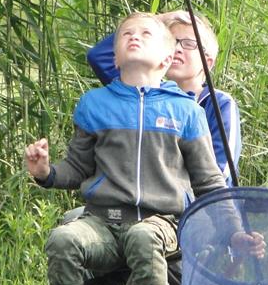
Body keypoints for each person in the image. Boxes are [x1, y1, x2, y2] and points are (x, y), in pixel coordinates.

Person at [24, 12, 264, 285]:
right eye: (126, 34)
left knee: (142, 236)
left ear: (167, 59)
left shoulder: (187, 111)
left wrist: (234, 232)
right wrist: (45, 172)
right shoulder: (94, 104)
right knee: (63, 238)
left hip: (162, 223)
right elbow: (77, 168)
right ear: (116, 56)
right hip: (103, 222)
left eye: (146, 34)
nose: (134, 37)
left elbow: (210, 182)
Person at [87, 10, 241, 187]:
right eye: (172, 42)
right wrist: (159, 20)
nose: (177, 49)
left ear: (207, 62)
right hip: (143, 198)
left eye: (189, 44)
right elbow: (100, 57)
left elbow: (222, 172)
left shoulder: (218, 103)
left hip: (199, 200)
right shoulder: (142, 94)